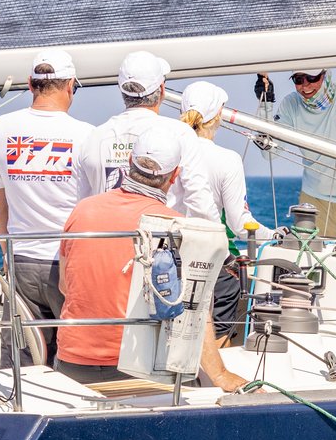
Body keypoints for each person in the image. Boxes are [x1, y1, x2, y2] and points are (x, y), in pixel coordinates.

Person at [56, 127, 247, 392]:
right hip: (139, 371)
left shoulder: (82, 210)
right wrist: (220, 375)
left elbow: (65, 285)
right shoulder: (177, 227)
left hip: (72, 365)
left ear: (129, 163)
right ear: (175, 176)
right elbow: (194, 314)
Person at [0, 49, 95, 360]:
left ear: (31, 85)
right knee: (75, 355)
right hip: (68, 262)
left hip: (21, 259)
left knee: (22, 356)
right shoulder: (86, 135)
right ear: (70, 85)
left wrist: (7, 249)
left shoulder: (2, 128)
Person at [72, 50, 211, 214]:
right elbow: (200, 203)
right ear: (161, 88)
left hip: (110, 236)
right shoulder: (181, 133)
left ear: (122, 90)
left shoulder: (94, 137)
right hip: (162, 237)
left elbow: (83, 202)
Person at [178, 80, 262, 341]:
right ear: (218, 116)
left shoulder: (170, 149)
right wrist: (277, 235)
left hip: (171, 257)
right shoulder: (227, 159)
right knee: (222, 318)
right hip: (208, 263)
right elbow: (239, 224)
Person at [257, 68, 336, 236]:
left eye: (311, 78)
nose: (305, 86)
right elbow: (269, 153)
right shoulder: (291, 104)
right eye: (298, 80)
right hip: (314, 204)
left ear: (325, 75)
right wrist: (265, 104)